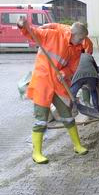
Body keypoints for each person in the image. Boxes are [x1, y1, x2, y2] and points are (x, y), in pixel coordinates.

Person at [17, 17, 89, 164]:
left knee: (67, 115)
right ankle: (36, 153)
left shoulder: (76, 48)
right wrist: (23, 26)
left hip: (58, 83)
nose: (82, 42)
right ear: (73, 35)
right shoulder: (53, 35)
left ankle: (77, 145)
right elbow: (33, 33)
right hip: (42, 81)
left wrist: (65, 73)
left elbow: (72, 67)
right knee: (41, 119)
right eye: (81, 38)